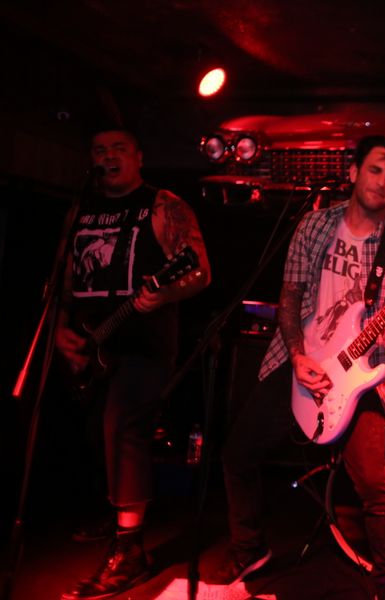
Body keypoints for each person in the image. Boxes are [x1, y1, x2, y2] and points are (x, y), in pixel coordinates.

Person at [211, 136, 385, 600]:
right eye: (375, 170)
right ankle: (250, 548)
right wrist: (298, 356)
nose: (382, 182)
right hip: (298, 360)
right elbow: (290, 297)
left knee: (373, 482)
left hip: (360, 375)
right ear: (353, 172)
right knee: (237, 455)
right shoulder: (314, 225)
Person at [55, 127, 212, 599]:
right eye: (99, 150)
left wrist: (163, 292)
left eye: (118, 148)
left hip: (145, 344)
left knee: (123, 425)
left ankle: (130, 551)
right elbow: (65, 279)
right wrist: (61, 327)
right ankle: (117, 513)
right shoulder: (81, 208)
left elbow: (200, 271)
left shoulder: (161, 205)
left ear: (139, 157)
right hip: (93, 345)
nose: (108, 156)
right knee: (97, 431)